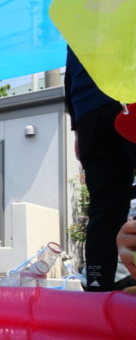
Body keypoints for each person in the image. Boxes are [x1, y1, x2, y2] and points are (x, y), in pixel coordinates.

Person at [65, 46, 136, 292]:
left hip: (88, 110)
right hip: (129, 92)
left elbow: (69, 74)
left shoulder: (77, 9)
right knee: (105, 206)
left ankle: (98, 284)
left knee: (104, 207)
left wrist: (77, 127)